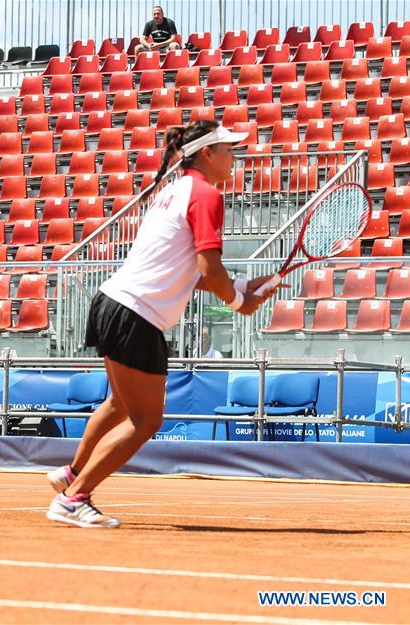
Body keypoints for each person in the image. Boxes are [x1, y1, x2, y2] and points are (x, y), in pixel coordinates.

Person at [45, 121, 280, 528]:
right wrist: (239, 301)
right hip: (136, 314)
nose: (234, 157)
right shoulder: (206, 195)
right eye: (228, 149)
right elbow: (208, 267)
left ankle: (71, 473)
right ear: (207, 154)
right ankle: (73, 498)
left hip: (111, 303)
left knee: (121, 405)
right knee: (146, 420)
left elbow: (193, 273)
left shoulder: (172, 191)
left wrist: (242, 284)